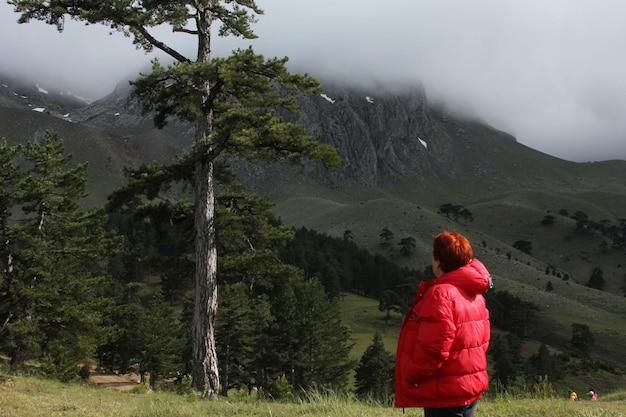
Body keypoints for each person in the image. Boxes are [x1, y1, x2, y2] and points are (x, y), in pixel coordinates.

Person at [395, 231, 492, 417]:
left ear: (438, 261)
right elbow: (482, 340)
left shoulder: (440, 294)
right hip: (468, 387)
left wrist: (411, 373)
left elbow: (433, 349)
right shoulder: (474, 293)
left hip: (445, 391)